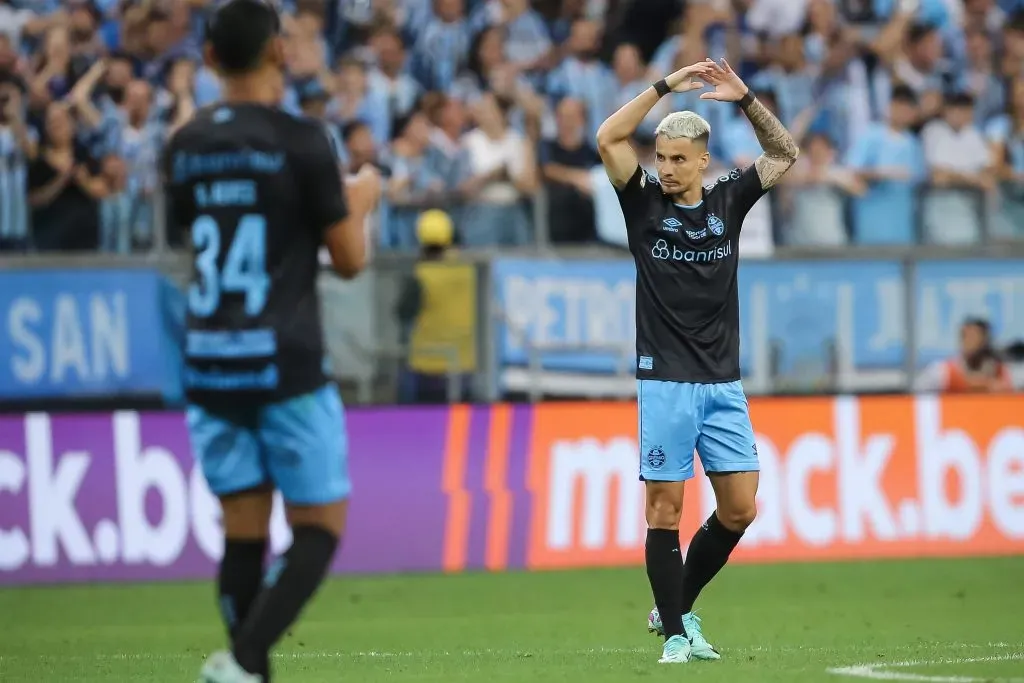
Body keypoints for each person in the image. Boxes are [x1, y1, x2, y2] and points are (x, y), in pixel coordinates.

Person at [160, 0, 381, 681]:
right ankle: (244, 657)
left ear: (208, 61)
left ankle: (246, 670)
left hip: (211, 361)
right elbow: (347, 260)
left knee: (243, 532)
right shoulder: (304, 139)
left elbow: (186, 240)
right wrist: (362, 197)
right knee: (319, 525)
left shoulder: (186, 144)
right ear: (281, 53)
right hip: (284, 360)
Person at [595, 58, 798, 665]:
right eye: (661, 156)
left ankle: (674, 606)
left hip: (722, 383)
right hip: (665, 384)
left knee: (740, 507)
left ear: (703, 160)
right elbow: (607, 136)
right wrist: (663, 87)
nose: (666, 167)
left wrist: (745, 100)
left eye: (679, 158)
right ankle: (678, 635)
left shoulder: (728, 202)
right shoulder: (642, 203)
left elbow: (784, 153)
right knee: (665, 509)